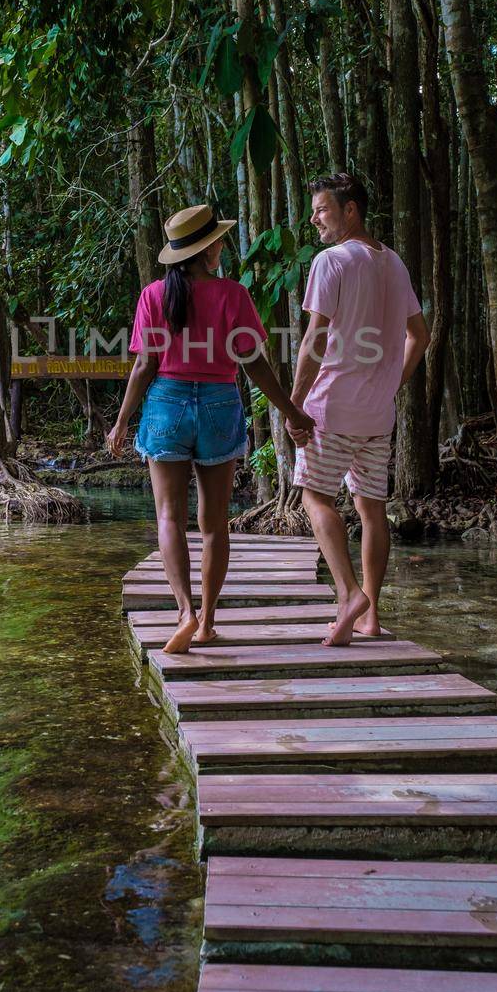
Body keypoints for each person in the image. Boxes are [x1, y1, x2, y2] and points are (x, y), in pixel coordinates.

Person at [107, 203, 314, 654]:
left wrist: (122, 420)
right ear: (206, 251)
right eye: (218, 240)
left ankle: (184, 611)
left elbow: (145, 365)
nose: (222, 245)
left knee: (169, 517)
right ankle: (208, 622)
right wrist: (291, 412)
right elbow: (255, 363)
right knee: (214, 524)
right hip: (220, 403)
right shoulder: (233, 295)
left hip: (166, 405)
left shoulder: (154, 296)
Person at [290, 173, 430, 646]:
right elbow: (421, 336)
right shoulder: (393, 262)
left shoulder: (331, 261)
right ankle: (369, 616)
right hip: (377, 413)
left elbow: (314, 339)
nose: (315, 219)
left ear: (351, 210)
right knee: (372, 510)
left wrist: (294, 403)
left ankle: (349, 594)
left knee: (315, 497)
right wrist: (392, 381)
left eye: (323, 210)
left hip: (332, 406)